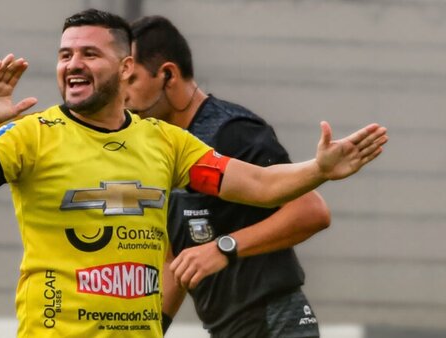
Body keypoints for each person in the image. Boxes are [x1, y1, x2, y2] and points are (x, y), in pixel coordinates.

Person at [0, 8, 387, 338]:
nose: (73, 64)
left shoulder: (165, 142)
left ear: (126, 67)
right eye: (65, 55)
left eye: (89, 53)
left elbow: (263, 186)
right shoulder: (31, 134)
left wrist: (319, 169)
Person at [126, 16, 336, 338]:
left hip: (275, 322)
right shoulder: (163, 149)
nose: (122, 96)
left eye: (132, 80)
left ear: (168, 75)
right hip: (226, 329)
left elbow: (311, 210)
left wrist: (224, 247)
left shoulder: (233, 131)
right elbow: (174, 263)